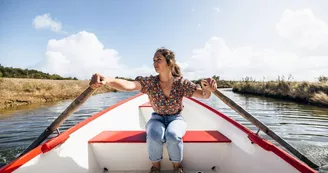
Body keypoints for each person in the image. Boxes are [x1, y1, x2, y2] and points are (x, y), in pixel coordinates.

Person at [89, 47, 217, 173]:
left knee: (173, 135)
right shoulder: (150, 82)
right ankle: (156, 168)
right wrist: (108, 80)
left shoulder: (181, 83)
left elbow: (204, 95)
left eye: (158, 59)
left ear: (169, 62)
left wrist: (208, 88)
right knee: (154, 135)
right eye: (154, 60)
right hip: (157, 117)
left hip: (176, 117)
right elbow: (129, 85)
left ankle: (177, 168)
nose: (155, 63)